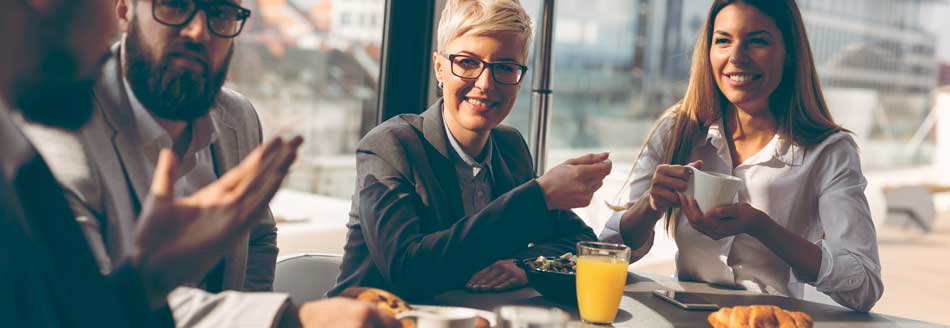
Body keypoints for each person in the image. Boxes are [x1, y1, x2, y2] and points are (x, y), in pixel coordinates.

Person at [13, 0, 401, 327]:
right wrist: (285, 319)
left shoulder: (239, 117)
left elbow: (260, 239)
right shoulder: (60, 120)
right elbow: (81, 306)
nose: (199, 31)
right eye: (175, 4)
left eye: (220, 12)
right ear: (124, 8)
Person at [601, 0, 883, 312]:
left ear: (789, 53)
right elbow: (604, 254)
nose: (736, 57)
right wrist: (649, 206)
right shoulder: (677, 130)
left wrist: (761, 226)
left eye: (757, 41)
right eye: (723, 41)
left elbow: (864, 287)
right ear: (708, 52)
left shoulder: (829, 151)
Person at [330, 0, 608, 301]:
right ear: (439, 68)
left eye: (504, 67)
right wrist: (537, 197)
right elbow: (407, 269)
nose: (485, 83)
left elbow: (581, 241)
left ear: (520, 78)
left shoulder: (510, 148)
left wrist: (523, 265)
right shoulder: (390, 146)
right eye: (467, 62)